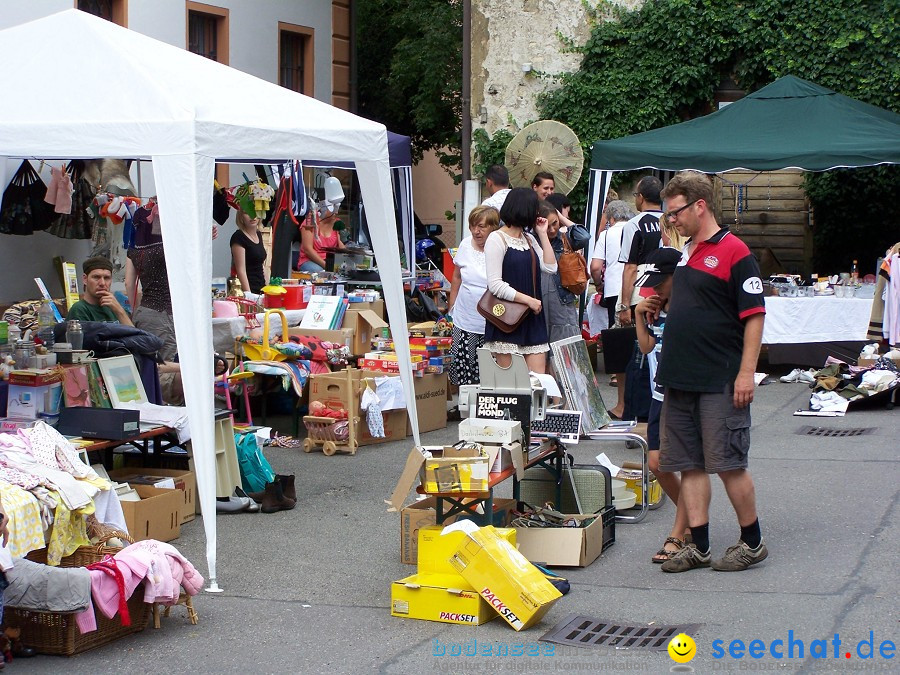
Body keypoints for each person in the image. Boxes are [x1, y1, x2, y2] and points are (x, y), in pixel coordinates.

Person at [654, 171, 767, 574]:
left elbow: (754, 316)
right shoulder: (687, 251)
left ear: (699, 206)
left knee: (728, 463)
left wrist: (745, 373)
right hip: (681, 376)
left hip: (719, 376)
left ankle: (751, 541)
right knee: (690, 463)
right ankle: (698, 545)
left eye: (676, 212)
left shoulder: (735, 251)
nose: (672, 220)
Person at [632, 246, 691, 564]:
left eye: (660, 280)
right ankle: (696, 514)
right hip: (657, 397)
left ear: (676, 276)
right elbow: (646, 347)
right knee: (656, 464)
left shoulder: (688, 307)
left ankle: (679, 533)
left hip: (681, 396)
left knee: (681, 465)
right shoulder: (655, 306)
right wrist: (640, 314)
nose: (654, 287)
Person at [484, 187, 557, 374]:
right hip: (507, 317)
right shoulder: (497, 238)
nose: (537, 213)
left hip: (532, 317)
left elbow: (550, 267)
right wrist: (528, 300)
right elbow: (495, 284)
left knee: (538, 383)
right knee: (513, 385)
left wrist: (542, 234)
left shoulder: (529, 239)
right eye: (535, 208)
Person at [590, 199, 635, 417]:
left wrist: (598, 283)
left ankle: (620, 395)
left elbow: (596, 266)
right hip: (636, 291)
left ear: (611, 218)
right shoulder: (636, 228)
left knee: (617, 342)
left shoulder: (607, 235)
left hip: (614, 290)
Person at [447, 206, 499, 386]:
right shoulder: (465, 244)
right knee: (462, 366)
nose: (476, 231)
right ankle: (464, 408)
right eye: (473, 226)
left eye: (482, 227)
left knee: (488, 369)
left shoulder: (499, 247)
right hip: (464, 317)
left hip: (491, 319)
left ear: (493, 227)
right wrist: (451, 306)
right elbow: (457, 276)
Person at [616, 176, 664, 327]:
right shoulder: (672, 222)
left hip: (641, 293)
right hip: (668, 292)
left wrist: (624, 306)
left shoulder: (634, 224)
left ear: (641, 197)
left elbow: (630, 267)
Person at [539, 200, 580, 345]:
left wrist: (561, 217)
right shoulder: (532, 239)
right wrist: (541, 232)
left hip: (562, 297)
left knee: (566, 349)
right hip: (541, 300)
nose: (551, 229)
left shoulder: (563, 238)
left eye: (554, 223)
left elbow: (584, 236)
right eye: (547, 225)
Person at [67, 257, 133, 325]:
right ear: (85, 279)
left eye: (107, 278)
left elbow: (135, 334)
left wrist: (119, 311)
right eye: (96, 277)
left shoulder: (115, 307)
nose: (102, 283)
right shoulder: (79, 309)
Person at [296, 200, 346, 272]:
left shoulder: (336, 222)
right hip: (310, 260)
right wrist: (326, 266)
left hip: (330, 261)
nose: (336, 212)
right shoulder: (310, 221)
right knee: (319, 271)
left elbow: (340, 246)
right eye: (333, 209)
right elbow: (308, 250)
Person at [230, 206, 267, 294]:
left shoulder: (258, 234)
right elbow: (241, 270)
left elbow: (261, 265)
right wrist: (248, 294)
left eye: (255, 212)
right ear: (241, 216)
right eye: (247, 213)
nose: (252, 216)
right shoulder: (238, 237)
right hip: (249, 289)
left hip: (261, 288)